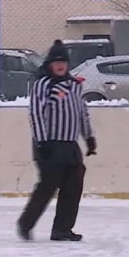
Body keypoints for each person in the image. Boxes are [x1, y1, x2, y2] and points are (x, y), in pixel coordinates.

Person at [17, 39, 96, 242]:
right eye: (56, 61)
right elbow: (36, 113)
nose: (60, 65)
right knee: (48, 185)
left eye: (64, 61)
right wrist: (42, 142)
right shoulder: (42, 84)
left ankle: (62, 229)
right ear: (50, 64)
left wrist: (89, 137)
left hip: (70, 146)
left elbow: (82, 113)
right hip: (49, 145)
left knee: (73, 186)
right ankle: (26, 223)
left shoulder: (74, 85)